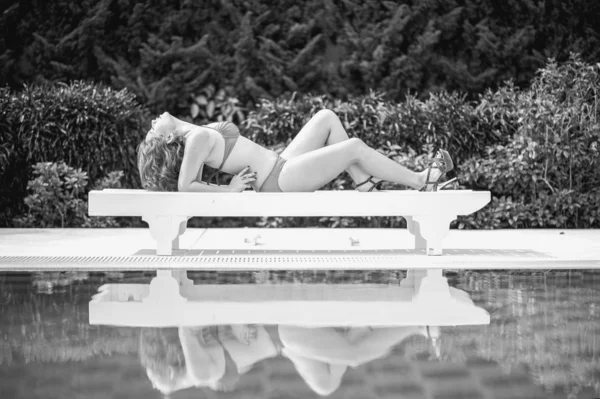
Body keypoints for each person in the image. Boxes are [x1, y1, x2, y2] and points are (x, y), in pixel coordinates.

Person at [136, 110, 456, 193]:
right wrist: (229, 188)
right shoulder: (194, 140)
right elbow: (184, 185)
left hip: (281, 164)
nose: (152, 122)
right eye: (152, 132)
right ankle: (420, 180)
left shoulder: (194, 132)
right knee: (354, 147)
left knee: (327, 118)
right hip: (277, 180)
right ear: (165, 141)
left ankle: (363, 182)